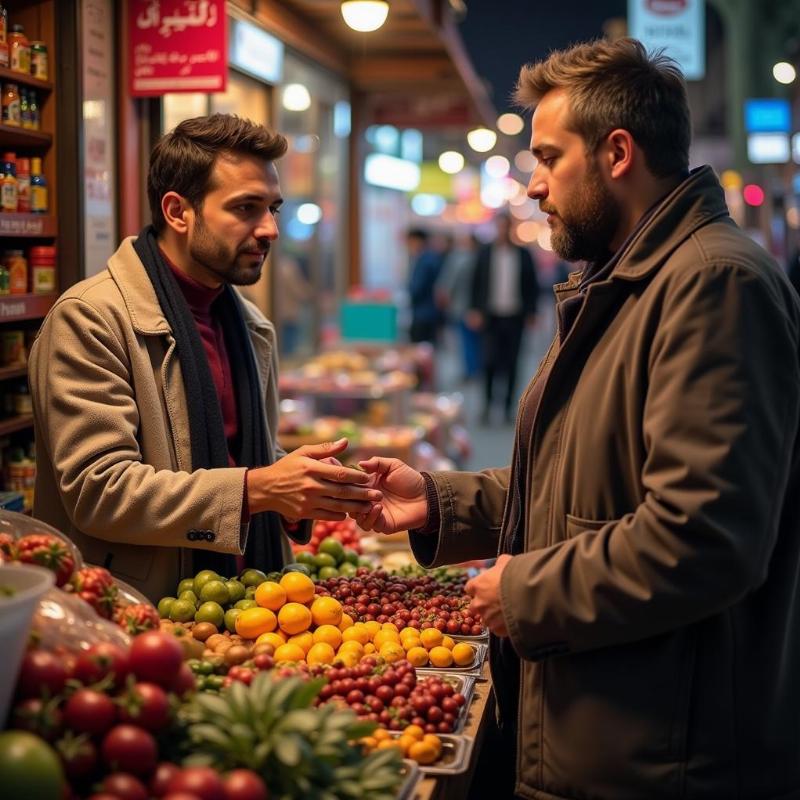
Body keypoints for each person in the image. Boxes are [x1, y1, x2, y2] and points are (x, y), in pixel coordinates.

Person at [355, 38, 800, 799]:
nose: (533, 187)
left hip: (666, 757)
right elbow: (582, 484)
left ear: (617, 152)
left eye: (548, 158)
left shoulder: (712, 285)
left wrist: (527, 592)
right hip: (611, 728)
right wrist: (441, 501)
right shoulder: (627, 282)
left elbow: (705, 537)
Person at [28, 114, 380, 602]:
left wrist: (313, 487)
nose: (270, 229)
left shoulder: (250, 324)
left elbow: (241, 458)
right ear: (177, 211)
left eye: (273, 208)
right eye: (246, 208)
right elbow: (99, 491)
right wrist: (261, 488)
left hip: (250, 605)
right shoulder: (89, 319)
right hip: (131, 613)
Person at [468, 213, 539, 424]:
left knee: (513, 363)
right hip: (490, 317)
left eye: (505, 227)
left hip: (515, 317)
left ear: (511, 228)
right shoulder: (485, 254)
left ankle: (508, 408)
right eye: (499, 227)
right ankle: (488, 406)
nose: (502, 231)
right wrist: (474, 309)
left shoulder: (523, 255)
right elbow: (475, 283)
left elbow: (532, 286)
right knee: (488, 362)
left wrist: (532, 312)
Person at [434, 228, 481, 382]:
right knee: (474, 341)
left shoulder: (460, 259)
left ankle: (470, 370)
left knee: (466, 341)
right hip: (477, 308)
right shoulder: (480, 257)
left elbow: (448, 283)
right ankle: (475, 368)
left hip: (461, 307)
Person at [406, 228, 443, 344]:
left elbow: (418, 288)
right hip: (429, 310)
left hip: (424, 311)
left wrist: (407, 298)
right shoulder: (431, 257)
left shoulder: (425, 260)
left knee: (421, 348)